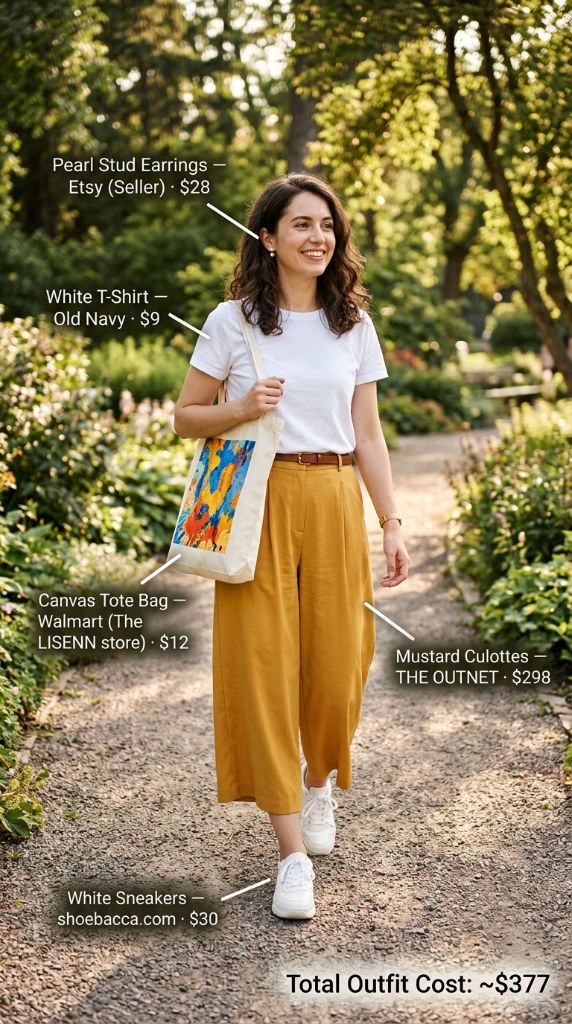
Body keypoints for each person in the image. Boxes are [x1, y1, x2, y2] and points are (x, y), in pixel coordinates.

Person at [174, 173, 410, 920]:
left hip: (336, 496)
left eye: (327, 225)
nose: (318, 237)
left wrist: (391, 520)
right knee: (264, 665)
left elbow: (368, 433)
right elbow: (186, 416)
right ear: (268, 238)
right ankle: (291, 856)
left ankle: (318, 784)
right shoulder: (232, 320)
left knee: (341, 667)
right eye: (301, 224)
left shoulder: (354, 325)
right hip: (259, 500)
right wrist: (241, 406)